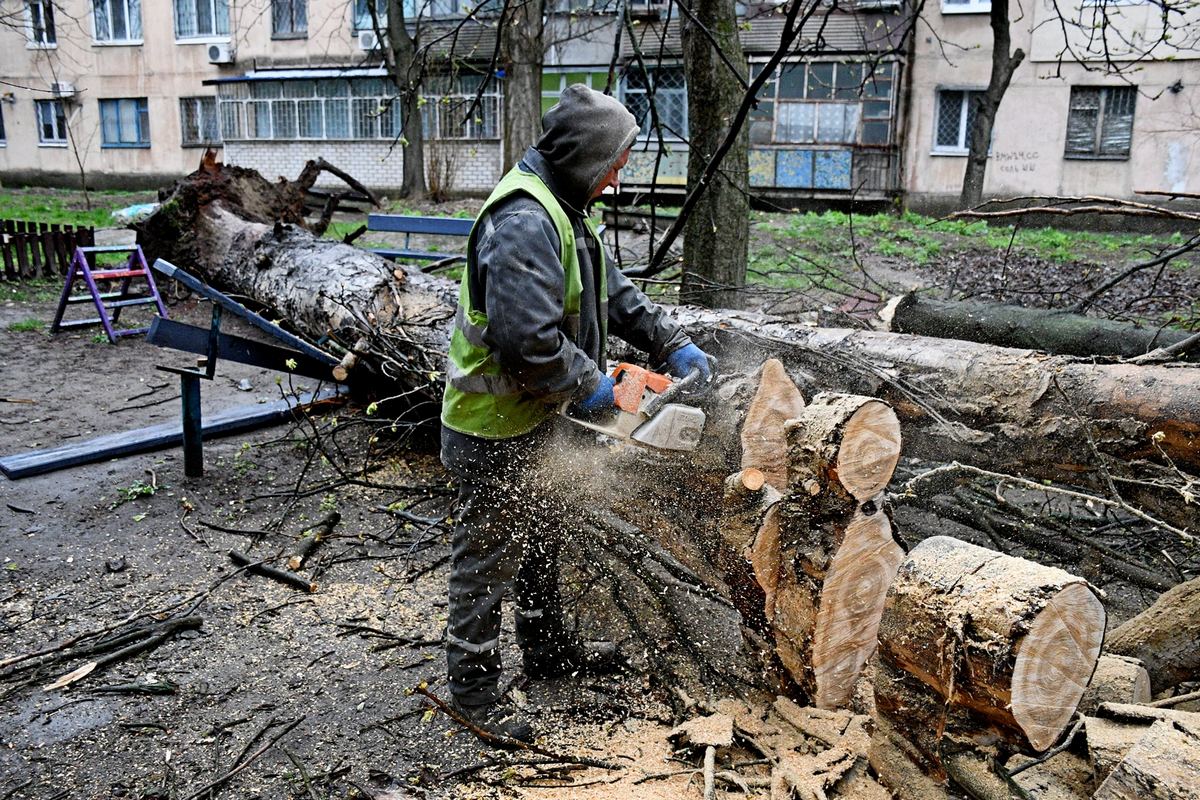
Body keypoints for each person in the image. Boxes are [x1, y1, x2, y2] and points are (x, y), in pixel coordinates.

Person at [440, 84, 716, 743]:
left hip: (537, 418)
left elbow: (608, 286)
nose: (618, 179)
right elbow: (526, 340)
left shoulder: (565, 205)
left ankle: (549, 655)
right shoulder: (526, 220)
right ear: (585, 158)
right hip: (493, 425)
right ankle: (474, 694)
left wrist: (667, 339)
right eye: (615, 164)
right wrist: (594, 387)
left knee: (544, 533)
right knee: (486, 560)